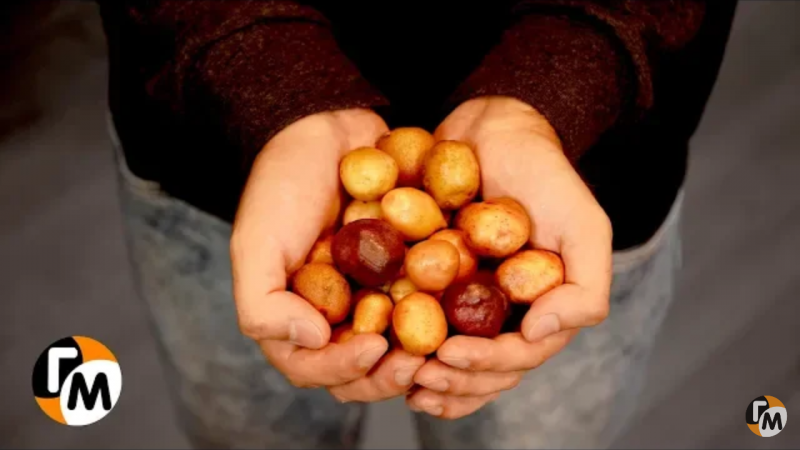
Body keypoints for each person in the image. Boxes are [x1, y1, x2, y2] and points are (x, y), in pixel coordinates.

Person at [98, 1, 736, 448]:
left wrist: (561, 77)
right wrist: (268, 79)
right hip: (226, 170)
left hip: (574, 185)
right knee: (250, 437)